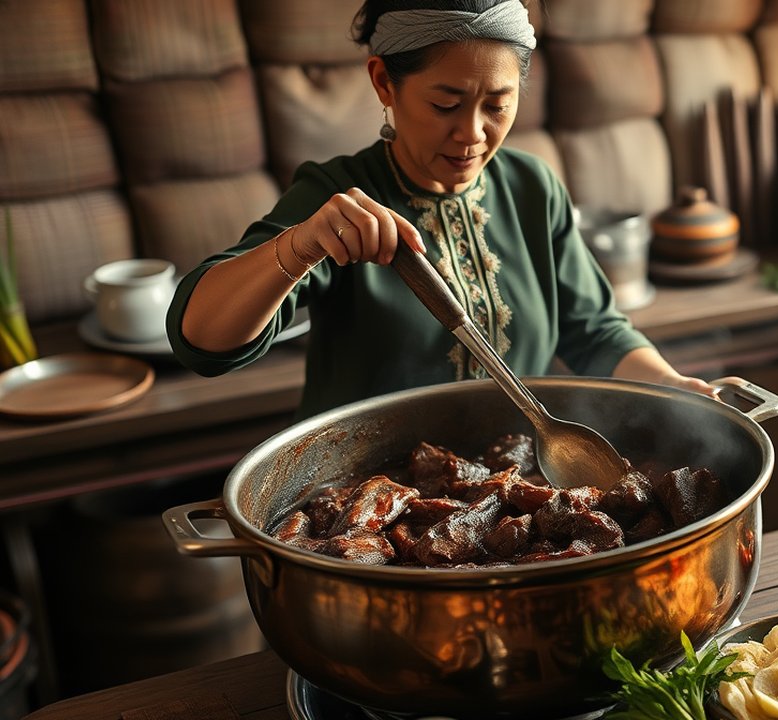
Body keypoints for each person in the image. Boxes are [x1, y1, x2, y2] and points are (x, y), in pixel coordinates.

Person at [168, 0, 717, 419]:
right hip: (367, 502)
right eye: (445, 104)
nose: (472, 134)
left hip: (510, 488)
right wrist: (299, 245)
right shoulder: (336, 199)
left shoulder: (532, 187)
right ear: (384, 82)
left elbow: (593, 330)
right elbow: (203, 343)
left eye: (497, 105)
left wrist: (672, 386)